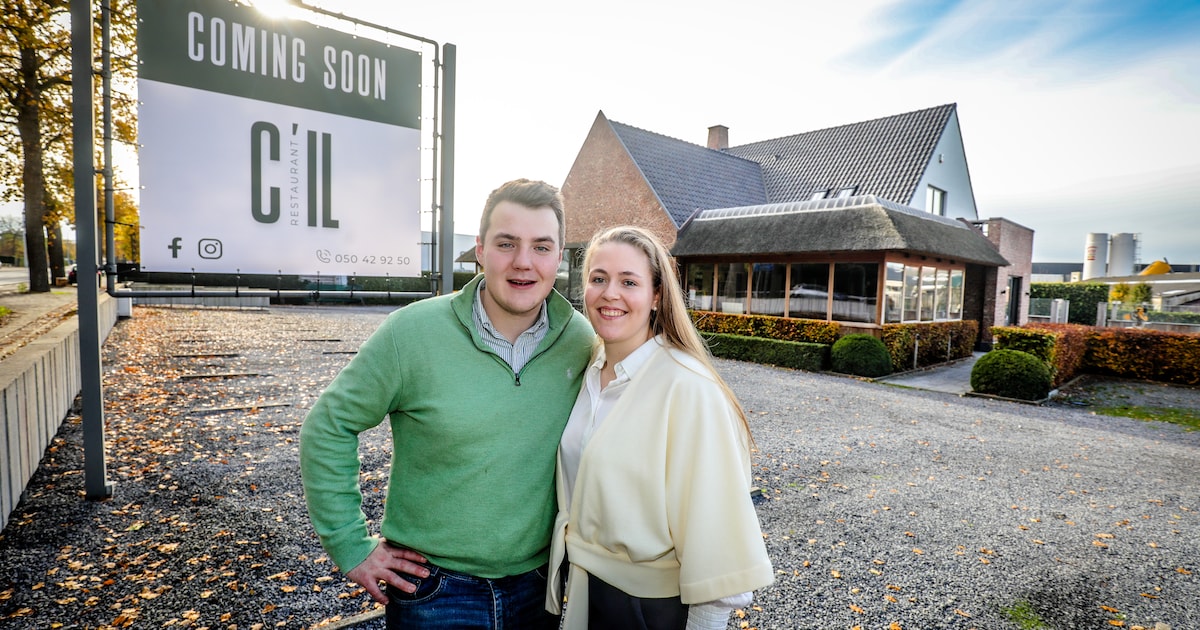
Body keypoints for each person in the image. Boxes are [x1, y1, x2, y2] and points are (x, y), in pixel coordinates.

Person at [300, 179, 594, 629]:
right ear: (480, 249)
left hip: (541, 591)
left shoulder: (582, 342)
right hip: (434, 593)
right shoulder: (410, 333)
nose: (522, 262)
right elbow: (328, 425)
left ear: (558, 257)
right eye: (506, 243)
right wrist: (351, 546)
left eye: (541, 247)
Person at [546, 226, 774, 629]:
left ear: (656, 296)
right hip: (584, 591)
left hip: (647, 608)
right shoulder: (590, 370)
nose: (610, 293)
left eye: (628, 282)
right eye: (598, 279)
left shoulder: (687, 387)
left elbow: (716, 535)